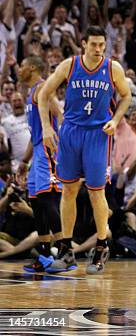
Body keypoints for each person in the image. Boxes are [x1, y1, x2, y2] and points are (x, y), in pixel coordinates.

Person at [38, 26, 132, 274]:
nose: (98, 49)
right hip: (70, 132)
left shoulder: (113, 68)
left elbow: (126, 96)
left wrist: (116, 119)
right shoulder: (70, 65)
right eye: (94, 44)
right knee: (68, 190)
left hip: (98, 135)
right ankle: (66, 250)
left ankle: (101, 246)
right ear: (83, 43)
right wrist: (47, 128)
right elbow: (43, 94)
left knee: (96, 192)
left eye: (102, 45)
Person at [18, 56, 64, 272]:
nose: (19, 69)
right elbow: (33, 133)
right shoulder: (31, 93)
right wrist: (24, 161)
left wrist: (63, 147)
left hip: (47, 149)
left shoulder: (43, 87)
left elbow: (61, 116)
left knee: (48, 198)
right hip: (37, 150)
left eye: (22, 65)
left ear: (33, 68)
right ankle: (45, 255)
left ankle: (66, 253)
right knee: (36, 202)